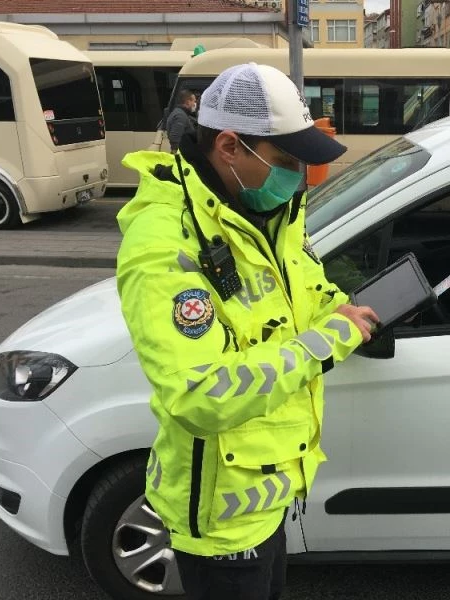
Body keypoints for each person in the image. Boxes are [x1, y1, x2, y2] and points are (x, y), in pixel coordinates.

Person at [116, 63, 379, 600]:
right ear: (230, 147)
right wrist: (329, 341)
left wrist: (342, 308)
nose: (297, 177)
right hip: (219, 518)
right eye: (285, 162)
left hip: (268, 494)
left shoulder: (267, 213)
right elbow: (199, 393)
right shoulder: (165, 244)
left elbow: (303, 285)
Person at [165, 88, 198, 153]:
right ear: (188, 102)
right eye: (194, 101)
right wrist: (177, 156)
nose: (195, 104)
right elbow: (175, 138)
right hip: (183, 154)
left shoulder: (182, 114)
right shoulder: (180, 115)